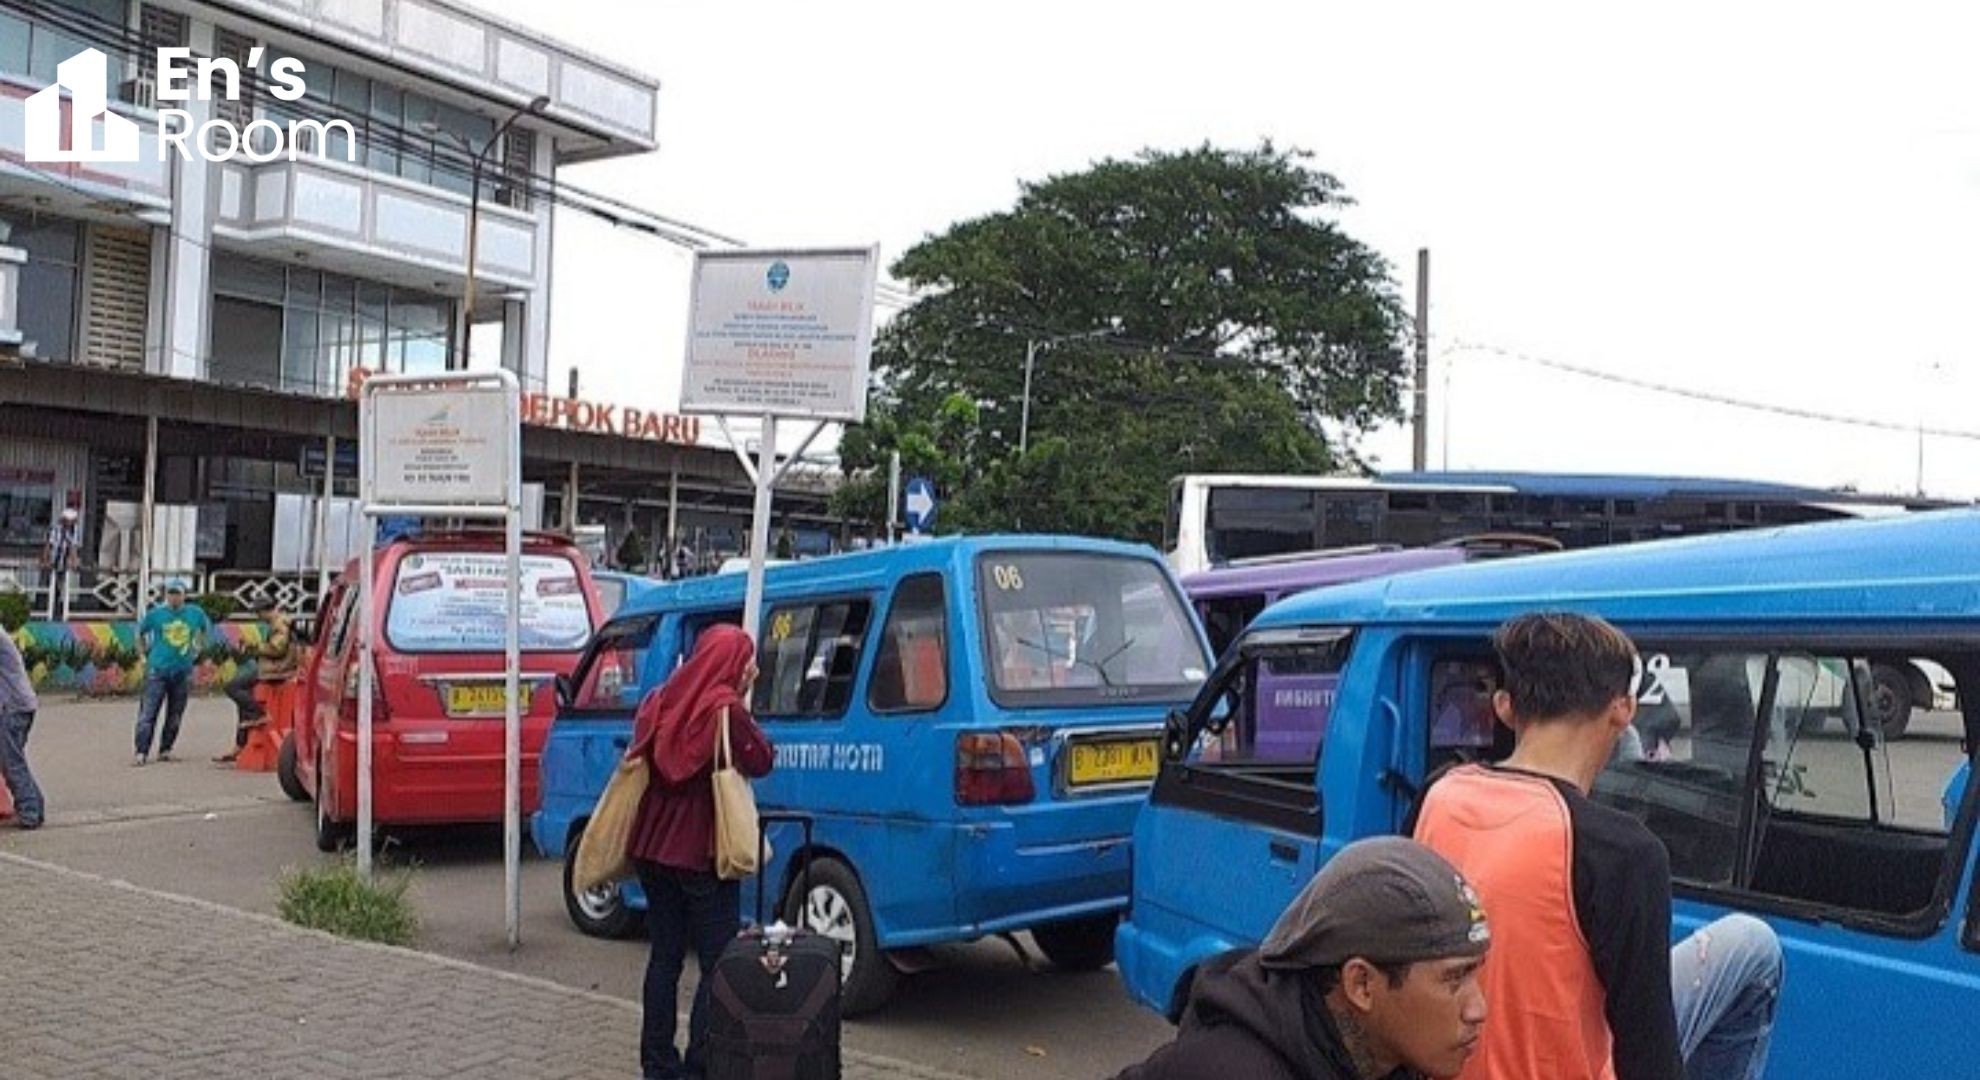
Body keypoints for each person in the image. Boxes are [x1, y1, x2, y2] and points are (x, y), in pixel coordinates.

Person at [1413, 612, 1783, 1080]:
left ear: (1505, 707)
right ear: (1624, 709)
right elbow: (1648, 1057)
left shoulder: (1438, 795)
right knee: (1755, 946)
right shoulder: (1624, 851)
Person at [1115, 835, 1490, 1080]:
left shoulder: (1390, 1060)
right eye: (1454, 979)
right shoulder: (1235, 1069)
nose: (1478, 1008)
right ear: (1361, 984)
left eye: (1475, 973)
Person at [626, 624, 774, 1080]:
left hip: (652, 847)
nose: (751, 667)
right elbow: (762, 759)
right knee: (717, 963)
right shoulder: (724, 710)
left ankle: (656, 1063)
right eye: (747, 659)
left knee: (665, 957)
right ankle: (700, 1064)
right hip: (701, 852)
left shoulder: (660, 700)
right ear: (730, 663)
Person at [134, 580, 211, 766]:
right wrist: (142, 655)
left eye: (178, 593)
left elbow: (204, 630)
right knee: (148, 713)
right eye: (171, 593)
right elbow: (139, 633)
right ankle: (141, 751)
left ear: (184, 595)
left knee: (175, 713)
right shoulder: (156, 615)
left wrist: (197, 649)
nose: (174, 597)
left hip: (182, 671)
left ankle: (166, 749)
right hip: (157, 670)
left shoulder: (195, 613)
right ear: (166, 595)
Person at [216, 597, 297, 765]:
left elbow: (277, 649)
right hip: (270, 667)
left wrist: (254, 647)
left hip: (276, 670)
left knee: (233, 687)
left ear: (268, 610)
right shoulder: (277, 623)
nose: (258, 616)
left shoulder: (280, 624)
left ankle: (258, 714)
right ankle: (241, 744)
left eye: (259, 612)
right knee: (243, 702)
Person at [0, 625, 44, 829]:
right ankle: (35, 806)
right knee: (12, 761)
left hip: (13, 708)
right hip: (19, 706)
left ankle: (29, 812)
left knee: (11, 763)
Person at [40, 506, 79, 620]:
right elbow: (48, 546)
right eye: (68, 521)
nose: (70, 523)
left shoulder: (74, 530)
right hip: (53, 560)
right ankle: (44, 612)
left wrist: (74, 561)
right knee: (47, 585)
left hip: (63, 562)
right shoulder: (55, 529)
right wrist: (45, 560)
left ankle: (55, 611)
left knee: (59, 587)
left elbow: (73, 547)